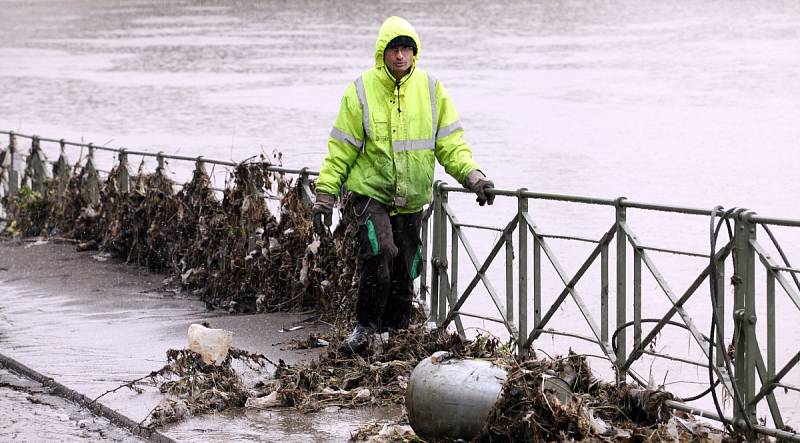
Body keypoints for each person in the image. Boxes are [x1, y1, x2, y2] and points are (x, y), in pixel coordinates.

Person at [312, 16, 495, 354]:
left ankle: (396, 335)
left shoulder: (431, 90)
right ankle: (364, 330)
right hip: (370, 193)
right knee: (380, 253)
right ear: (382, 52)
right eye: (394, 49)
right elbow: (341, 148)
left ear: (415, 53)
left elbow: (450, 144)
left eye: (406, 49)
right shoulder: (361, 91)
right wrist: (325, 195)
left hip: (411, 198)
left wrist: (474, 177)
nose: (400, 56)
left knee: (406, 268)